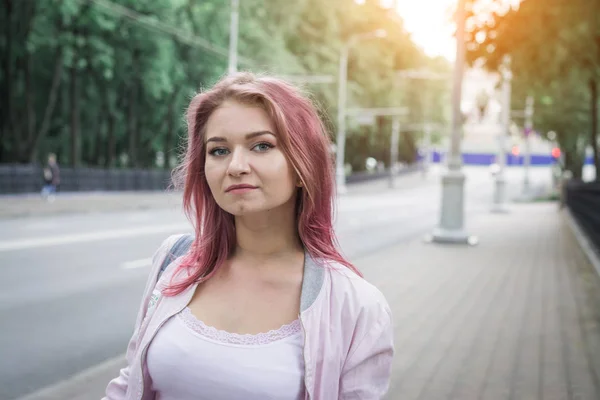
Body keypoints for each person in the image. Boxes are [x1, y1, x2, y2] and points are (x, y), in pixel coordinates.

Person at [103, 73, 394, 400]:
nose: (236, 166)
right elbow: (131, 385)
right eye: (219, 151)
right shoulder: (174, 262)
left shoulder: (355, 305)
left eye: (261, 146)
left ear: (302, 166)